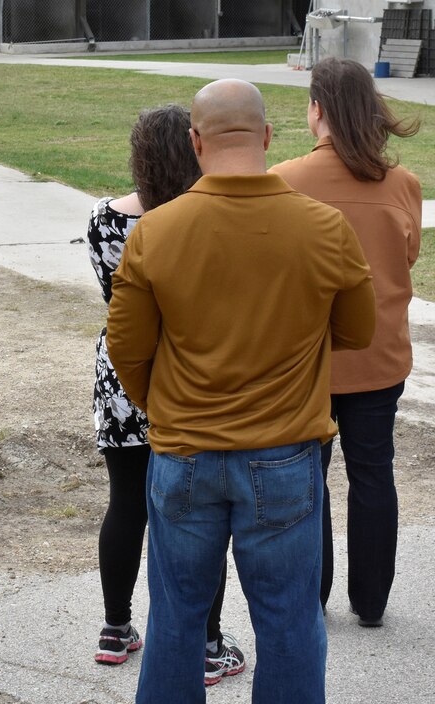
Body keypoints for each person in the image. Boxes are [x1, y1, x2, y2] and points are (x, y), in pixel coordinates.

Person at [106, 79, 376, 703]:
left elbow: (127, 347)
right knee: (288, 620)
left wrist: (162, 408)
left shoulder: (156, 232)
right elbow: (358, 332)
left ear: (196, 142)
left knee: (174, 620)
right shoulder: (324, 227)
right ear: (266, 137)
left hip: (183, 453)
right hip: (284, 451)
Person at [87, 104, 243, 685]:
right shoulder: (209, 217)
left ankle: (115, 626)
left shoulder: (105, 219)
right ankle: (207, 639)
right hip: (190, 376)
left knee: (126, 501)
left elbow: (114, 298)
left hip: (124, 375)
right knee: (199, 515)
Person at [270, 57, 422, 628]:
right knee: (373, 471)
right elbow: (404, 259)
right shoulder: (403, 185)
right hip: (379, 356)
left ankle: (316, 590)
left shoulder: (284, 180)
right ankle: (372, 601)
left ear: (318, 110)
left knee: (311, 475)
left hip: (308, 359)